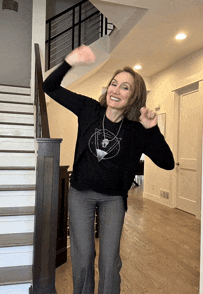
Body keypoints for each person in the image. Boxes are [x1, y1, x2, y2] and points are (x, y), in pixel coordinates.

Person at [42, 45, 175, 294]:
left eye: (125, 87)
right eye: (114, 83)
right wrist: (68, 62)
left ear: (134, 96)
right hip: (80, 194)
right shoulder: (89, 109)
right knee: (83, 257)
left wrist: (152, 129)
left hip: (113, 199)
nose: (116, 90)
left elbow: (167, 162)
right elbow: (49, 87)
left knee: (109, 262)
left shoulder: (136, 129)